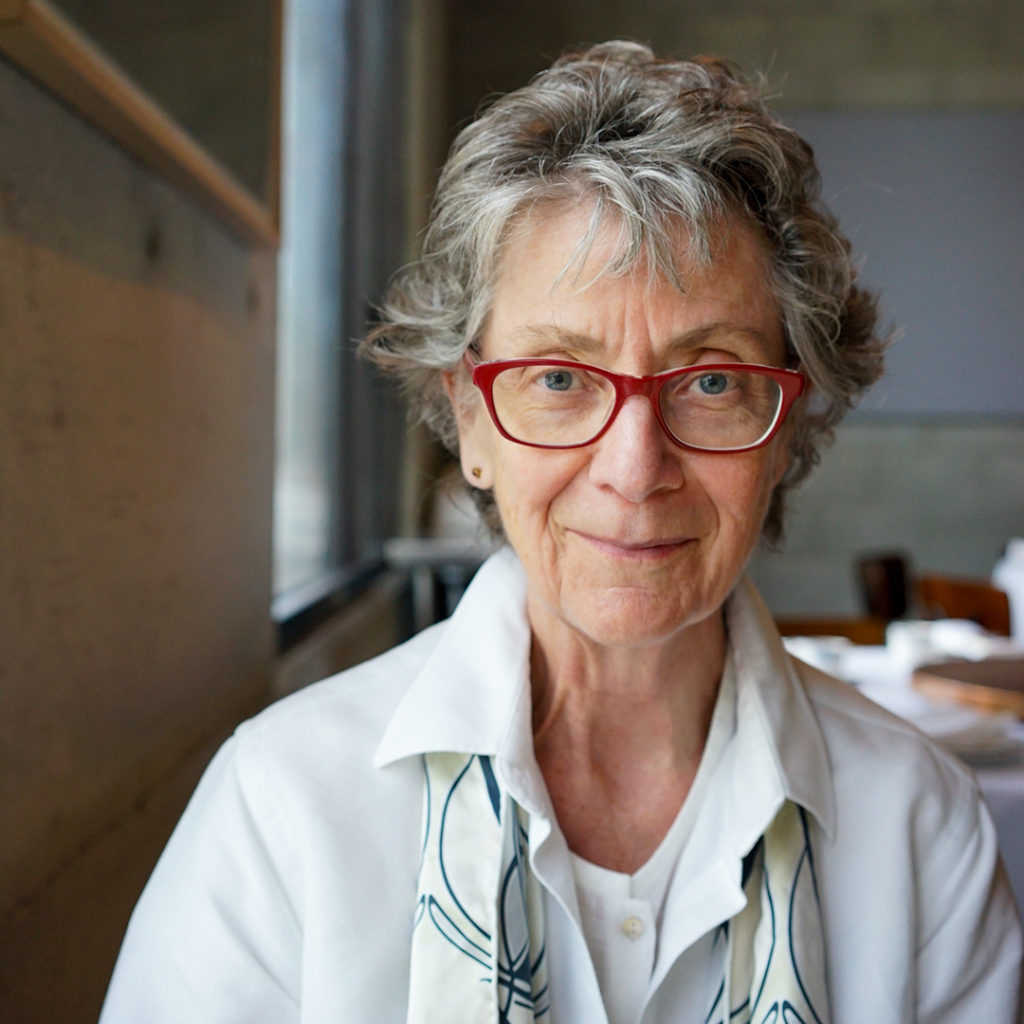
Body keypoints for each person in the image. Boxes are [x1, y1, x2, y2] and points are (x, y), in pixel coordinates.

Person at [100, 42, 1022, 1024]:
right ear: (468, 419)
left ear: (784, 425)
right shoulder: (284, 806)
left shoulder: (920, 824)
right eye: (557, 378)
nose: (633, 467)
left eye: (709, 379)